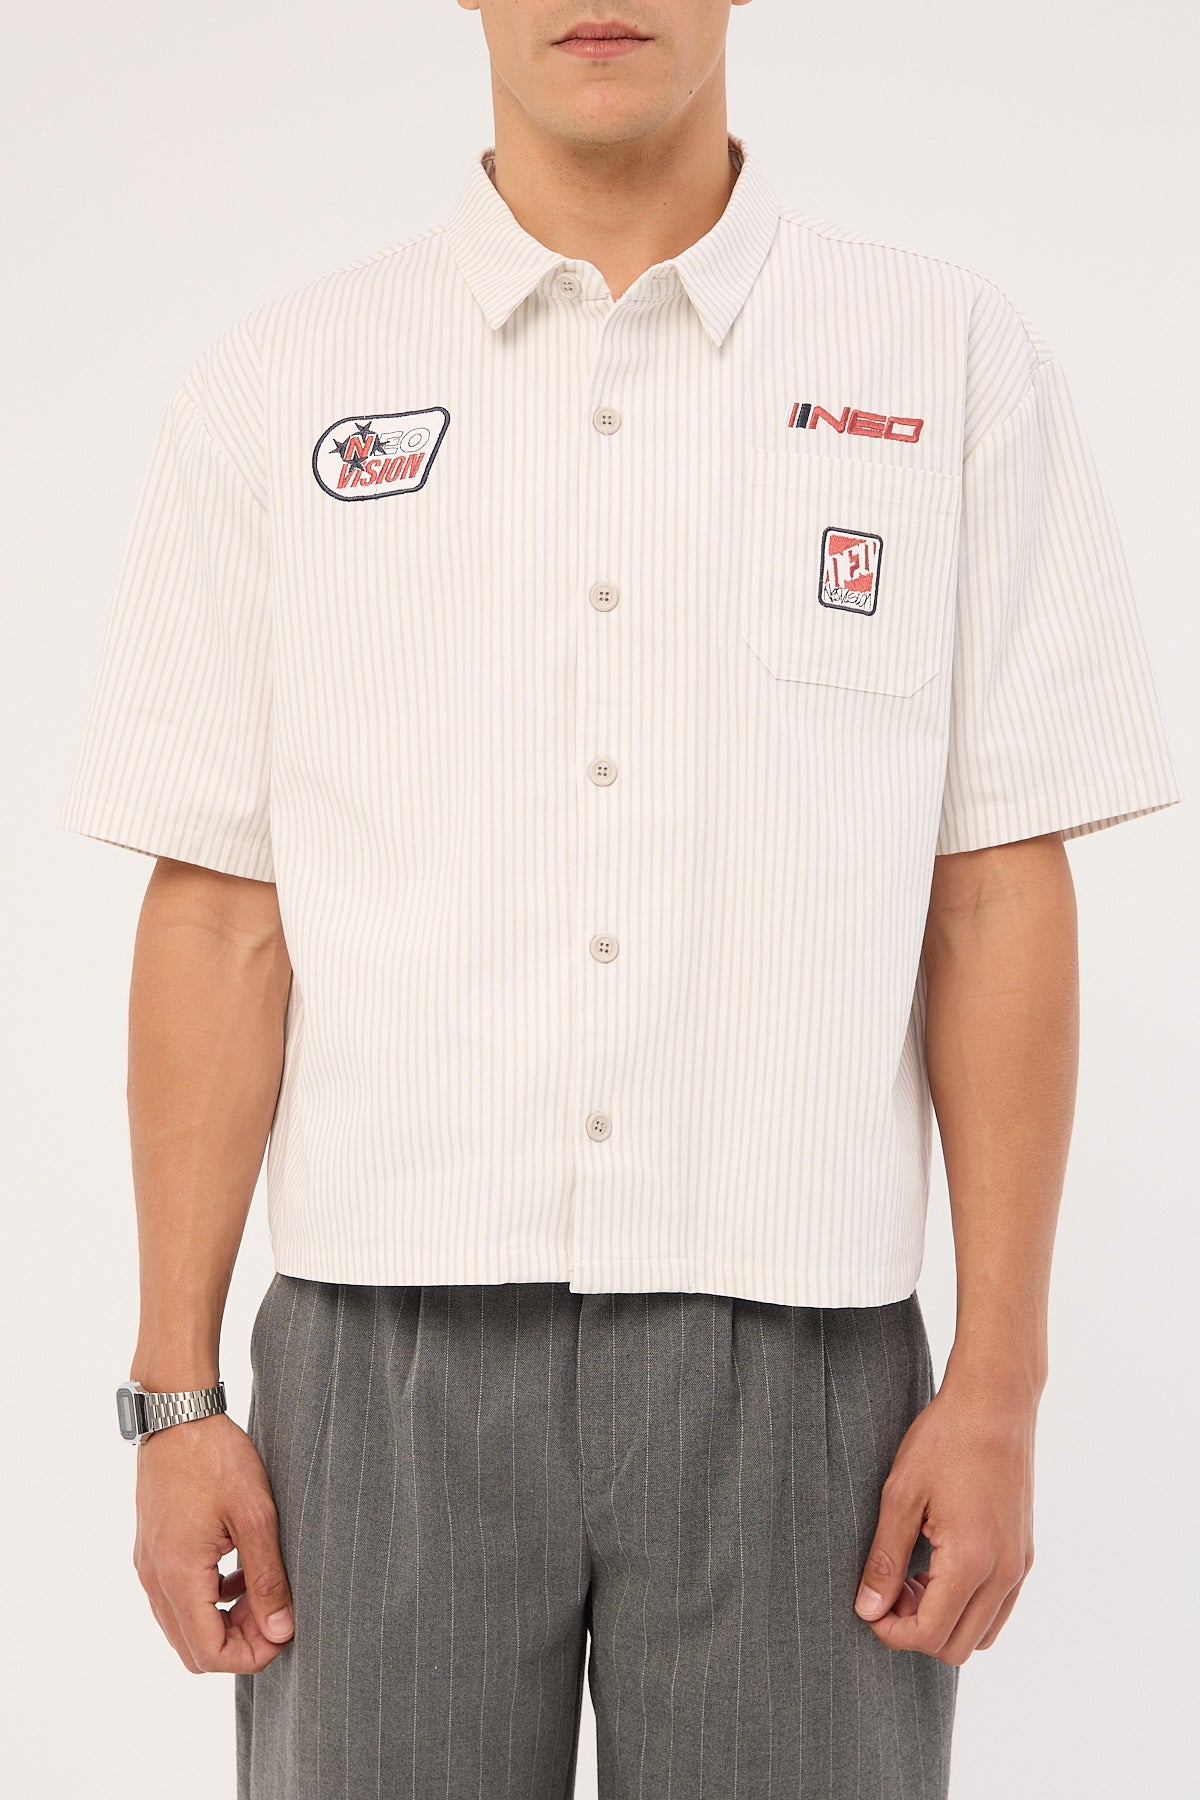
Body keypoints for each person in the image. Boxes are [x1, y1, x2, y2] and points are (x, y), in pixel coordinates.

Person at [60, 4, 1184, 1797]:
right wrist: (173, 1396)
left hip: (803, 1375)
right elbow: (220, 918)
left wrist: (999, 1382)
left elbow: (992, 895)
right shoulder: (280, 385)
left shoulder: (949, 361)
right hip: (381, 1370)